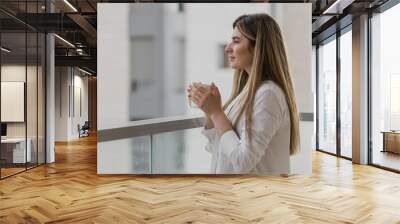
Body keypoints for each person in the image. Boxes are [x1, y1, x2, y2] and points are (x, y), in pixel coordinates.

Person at [187, 13, 300, 175]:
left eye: (236, 41)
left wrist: (216, 112)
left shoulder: (268, 94)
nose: (227, 48)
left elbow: (242, 162)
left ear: (258, 46)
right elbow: (218, 148)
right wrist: (209, 111)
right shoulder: (245, 93)